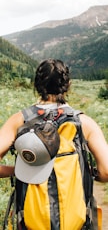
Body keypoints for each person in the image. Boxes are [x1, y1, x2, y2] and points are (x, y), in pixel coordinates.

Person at [0, 58, 108, 229]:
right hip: (75, 223)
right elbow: (106, 171)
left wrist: (18, 171)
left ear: (36, 85)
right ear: (68, 85)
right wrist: (89, 173)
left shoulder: (19, 120)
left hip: (31, 222)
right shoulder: (83, 122)